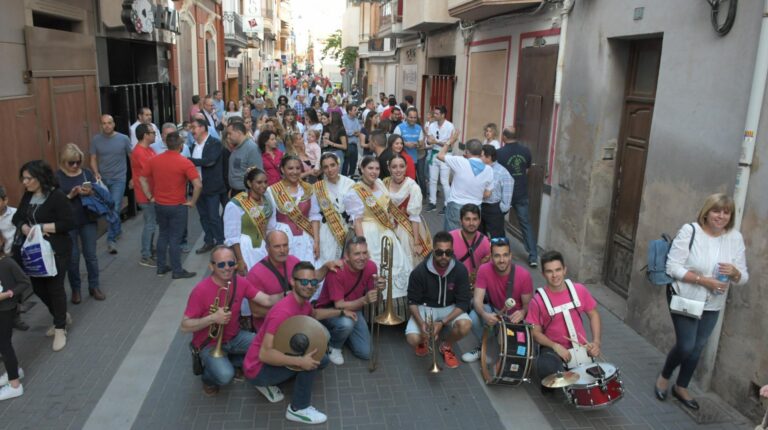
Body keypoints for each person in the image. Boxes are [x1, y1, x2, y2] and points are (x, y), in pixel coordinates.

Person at [654, 193, 748, 410]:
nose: (721, 216)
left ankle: (681, 387)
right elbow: (672, 267)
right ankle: (664, 376)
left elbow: (743, 277)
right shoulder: (690, 231)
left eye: (726, 212)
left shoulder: (735, 238)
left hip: (713, 302)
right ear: (706, 212)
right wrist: (703, 280)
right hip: (685, 296)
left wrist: (735, 273)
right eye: (716, 211)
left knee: (698, 347)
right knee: (686, 345)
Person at [243, 261, 352, 424]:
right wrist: (301, 362)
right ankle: (298, 408)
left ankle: (283, 378)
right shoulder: (282, 312)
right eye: (304, 281)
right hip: (257, 369)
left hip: (268, 357)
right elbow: (265, 354)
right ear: (293, 282)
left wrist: (341, 312)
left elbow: (315, 314)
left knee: (321, 358)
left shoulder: (302, 303)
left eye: (313, 282)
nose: (309, 286)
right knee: (311, 360)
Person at [13, 160, 75, 351]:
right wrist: (25, 228)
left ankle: (60, 328)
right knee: (39, 288)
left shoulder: (57, 196)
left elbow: (68, 223)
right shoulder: (28, 195)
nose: (25, 182)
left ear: (40, 178)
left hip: (56, 250)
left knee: (55, 288)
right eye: (23, 179)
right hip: (35, 252)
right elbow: (17, 217)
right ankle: (61, 315)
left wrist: (40, 227)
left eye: (28, 178)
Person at [181, 246, 258, 396]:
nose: (227, 268)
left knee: (263, 344)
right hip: (209, 344)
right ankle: (208, 379)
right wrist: (213, 318)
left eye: (231, 263)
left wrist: (286, 295)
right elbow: (184, 326)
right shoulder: (200, 290)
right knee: (225, 376)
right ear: (211, 266)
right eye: (221, 264)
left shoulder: (240, 282)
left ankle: (230, 360)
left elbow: (265, 299)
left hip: (234, 337)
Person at [344, 156, 412, 320]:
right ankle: (373, 314)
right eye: (370, 168)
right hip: (368, 233)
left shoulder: (380, 183)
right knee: (374, 269)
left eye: (377, 168)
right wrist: (363, 247)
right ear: (362, 169)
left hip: (386, 233)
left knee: (396, 267)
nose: (374, 172)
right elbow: (357, 221)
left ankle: (396, 312)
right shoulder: (354, 191)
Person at [525, 251, 601, 389]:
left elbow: (594, 315)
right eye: (549, 271)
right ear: (543, 274)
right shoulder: (537, 301)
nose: (554, 275)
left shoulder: (579, 290)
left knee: (597, 380)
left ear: (565, 270)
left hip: (580, 346)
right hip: (553, 349)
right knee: (547, 368)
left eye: (558, 270)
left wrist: (596, 342)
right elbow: (535, 333)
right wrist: (555, 346)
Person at [405, 231, 472, 369]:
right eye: (439, 252)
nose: (444, 257)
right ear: (433, 250)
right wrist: (421, 323)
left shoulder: (460, 270)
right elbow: (412, 302)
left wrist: (442, 323)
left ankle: (446, 345)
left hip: (450, 306)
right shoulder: (419, 272)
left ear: (452, 251)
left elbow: (463, 303)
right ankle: (423, 340)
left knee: (465, 325)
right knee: (412, 338)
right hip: (426, 307)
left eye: (448, 253)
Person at [461, 237, 533, 363]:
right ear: (491, 257)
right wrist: (484, 314)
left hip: (514, 320)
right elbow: (477, 300)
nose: (502, 260)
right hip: (496, 312)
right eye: (497, 256)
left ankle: (494, 348)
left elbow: (528, 306)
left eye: (505, 255)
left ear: (510, 256)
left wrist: (522, 313)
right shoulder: (484, 269)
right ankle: (484, 347)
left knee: (501, 359)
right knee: (473, 315)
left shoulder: (524, 275)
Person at [313, 236, 381, 365]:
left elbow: (373, 300)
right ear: (347, 256)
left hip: (354, 309)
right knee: (346, 323)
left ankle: (343, 335)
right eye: (357, 254)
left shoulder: (371, 266)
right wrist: (364, 300)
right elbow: (339, 305)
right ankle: (334, 346)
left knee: (366, 353)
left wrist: (379, 289)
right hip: (330, 309)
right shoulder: (337, 271)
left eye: (364, 253)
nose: (362, 257)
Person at [142, 132, 201, 279]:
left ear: (167, 144)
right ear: (181, 146)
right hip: (177, 205)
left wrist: (149, 196)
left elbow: (142, 178)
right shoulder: (185, 162)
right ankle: (177, 270)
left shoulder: (154, 160)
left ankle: (161, 267)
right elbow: (198, 185)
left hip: (160, 204)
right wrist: (192, 202)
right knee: (175, 238)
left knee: (163, 234)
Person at [56, 143, 105, 304]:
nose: (75, 165)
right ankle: (76, 289)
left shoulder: (86, 173)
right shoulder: (58, 177)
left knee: (91, 255)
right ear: (64, 161)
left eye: (78, 162)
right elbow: (54, 203)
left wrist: (90, 192)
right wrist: (70, 195)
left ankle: (94, 286)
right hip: (68, 222)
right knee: (73, 258)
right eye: (71, 162)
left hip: (87, 218)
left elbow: (97, 192)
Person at [89, 114, 131, 254]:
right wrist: (96, 172)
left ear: (113, 124)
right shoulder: (96, 140)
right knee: (109, 209)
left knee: (115, 206)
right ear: (101, 125)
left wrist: (134, 177)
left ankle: (111, 240)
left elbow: (132, 157)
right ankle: (117, 229)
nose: (107, 125)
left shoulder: (123, 139)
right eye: (104, 123)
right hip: (103, 180)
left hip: (119, 178)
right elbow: (93, 158)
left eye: (109, 123)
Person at [266, 156, 321, 264]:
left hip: (306, 239)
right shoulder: (272, 191)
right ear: (282, 169)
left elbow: (314, 216)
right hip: (283, 240)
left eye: (298, 168)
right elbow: (270, 224)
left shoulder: (308, 188)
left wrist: (316, 241)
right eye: (290, 168)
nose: (295, 172)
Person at [497, 127, 538, 267]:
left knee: (498, 222)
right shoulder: (526, 151)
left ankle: (502, 252)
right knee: (526, 224)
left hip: (504, 194)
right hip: (521, 193)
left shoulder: (499, 153)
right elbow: (526, 170)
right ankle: (533, 256)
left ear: (504, 137)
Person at [225, 168, 277, 275]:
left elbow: (271, 228)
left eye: (265, 182)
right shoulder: (236, 204)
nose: (263, 185)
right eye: (259, 182)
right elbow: (232, 237)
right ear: (249, 183)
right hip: (245, 250)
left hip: (264, 248)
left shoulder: (268, 201)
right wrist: (240, 260)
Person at [436, 139, 494, 232]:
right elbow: (487, 194)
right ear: (481, 152)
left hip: (456, 206)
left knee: (452, 236)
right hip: (475, 209)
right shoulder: (489, 170)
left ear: (466, 151)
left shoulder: (460, 161)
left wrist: (449, 142)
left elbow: (440, 155)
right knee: (470, 236)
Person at [384, 154, 431, 267]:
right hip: (387, 226)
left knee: (405, 260)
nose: (398, 170)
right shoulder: (384, 183)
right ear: (389, 168)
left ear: (406, 167)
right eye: (394, 167)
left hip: (406, 229)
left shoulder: (413, 187)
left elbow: (414, 217)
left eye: (401, 166)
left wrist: (416, 242)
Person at [189, 118, 227, 254]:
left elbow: (209, 161)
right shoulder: (193, 145)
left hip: (212, 187)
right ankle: (209, 241)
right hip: (198, 187)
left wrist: (188, 161)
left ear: (203, 128)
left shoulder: (214, 143)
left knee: (213, 216)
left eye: (194, 127)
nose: (192, 130)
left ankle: (221, 243)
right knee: (203, 216)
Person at [0, 233, 31, 401]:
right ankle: (15, 371)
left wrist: (7, 294)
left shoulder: (7, 263)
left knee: (4, 345)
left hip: (5, 309)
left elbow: (24, 282)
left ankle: (15, 385)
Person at [313, 153, 355, 266]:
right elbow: (314, 216)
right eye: (326, 167)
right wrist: (316, 241)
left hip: (347, 230)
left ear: (338, 165)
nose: (330, 170)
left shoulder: (350, 184)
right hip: (327, 231)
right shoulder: (317, 187)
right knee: (328, 263)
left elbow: (357, 213)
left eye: (332, 165)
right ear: (322, 170)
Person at [0, 187, 27, 332]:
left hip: (13, 256)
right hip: (0, 258)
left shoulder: (15, 214)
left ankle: (16, 316)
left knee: (16, 286)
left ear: (5, 200)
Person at [425, 106, 457, 214]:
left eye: (437, 113)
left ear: (443, 115)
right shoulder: (432, 125)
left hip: (445, 155)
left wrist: (435, 142)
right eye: (434, 113)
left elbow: (450, 145)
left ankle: (447, 204)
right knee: (432, 180)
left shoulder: (450, 126)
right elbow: (429, 141)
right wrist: (429, 140)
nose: (434, 115)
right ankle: (432, 202)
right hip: (434, 154)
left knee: (444, 181)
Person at [450, 204, 491, 288]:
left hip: (476, 286)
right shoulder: (450, 239)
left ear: (479, 221)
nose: (471, 223)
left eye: (475, 219)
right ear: (461, 221)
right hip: (453, 285)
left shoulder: (485, 242)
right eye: (467, 219)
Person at [480, 145, 514, 239]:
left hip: (493, 208)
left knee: (497, 238)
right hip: (479, 206)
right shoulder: (480, 168)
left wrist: (501, 209)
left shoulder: (502, 171)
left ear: (488, 157)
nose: (479, 157)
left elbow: (508, 190)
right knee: (480, 237)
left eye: (481, 155)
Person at [393, 107, 426, 194]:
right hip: (402, 158)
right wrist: (405, 144)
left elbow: (421, 143)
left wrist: (417, 144)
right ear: (406, 117)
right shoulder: (399, 127)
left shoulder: (419, 128)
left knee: (415, 178)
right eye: (411, 117)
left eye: (415, 117)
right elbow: (394, 141)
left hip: (415, 158)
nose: (413, 119)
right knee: (403, 178)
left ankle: (418, 196)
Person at [226, 121, 263, 194]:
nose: (228, 136)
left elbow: (257, 174)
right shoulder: (236, 147)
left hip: (246, 193)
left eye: (230, 133)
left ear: (239, 133)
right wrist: (232, 189)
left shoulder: (252, 148)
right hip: (235, 191)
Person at [341, 104, 361, 177]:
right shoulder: (343, 119)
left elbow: (359, 130)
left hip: (354, 145)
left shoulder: (356, 119)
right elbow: (345, 132)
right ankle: (344, 178)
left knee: (353, 164)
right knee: (345, 164)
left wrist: (353, 132)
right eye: (355, 110)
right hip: (347, 145)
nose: (357, 111)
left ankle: (351, 178)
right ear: (349, 111)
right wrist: (353, 132)